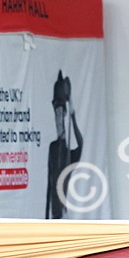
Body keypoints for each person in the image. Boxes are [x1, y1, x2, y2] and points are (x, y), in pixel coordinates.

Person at [46, 71, 83, 219]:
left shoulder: (69, 154)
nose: (58, 118)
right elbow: (50, 181)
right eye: (56, 113)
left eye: (61, 113)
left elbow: (81, 144)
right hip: (55, 211)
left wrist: (73, 119)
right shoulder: (54, 147)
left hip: (63, 210)